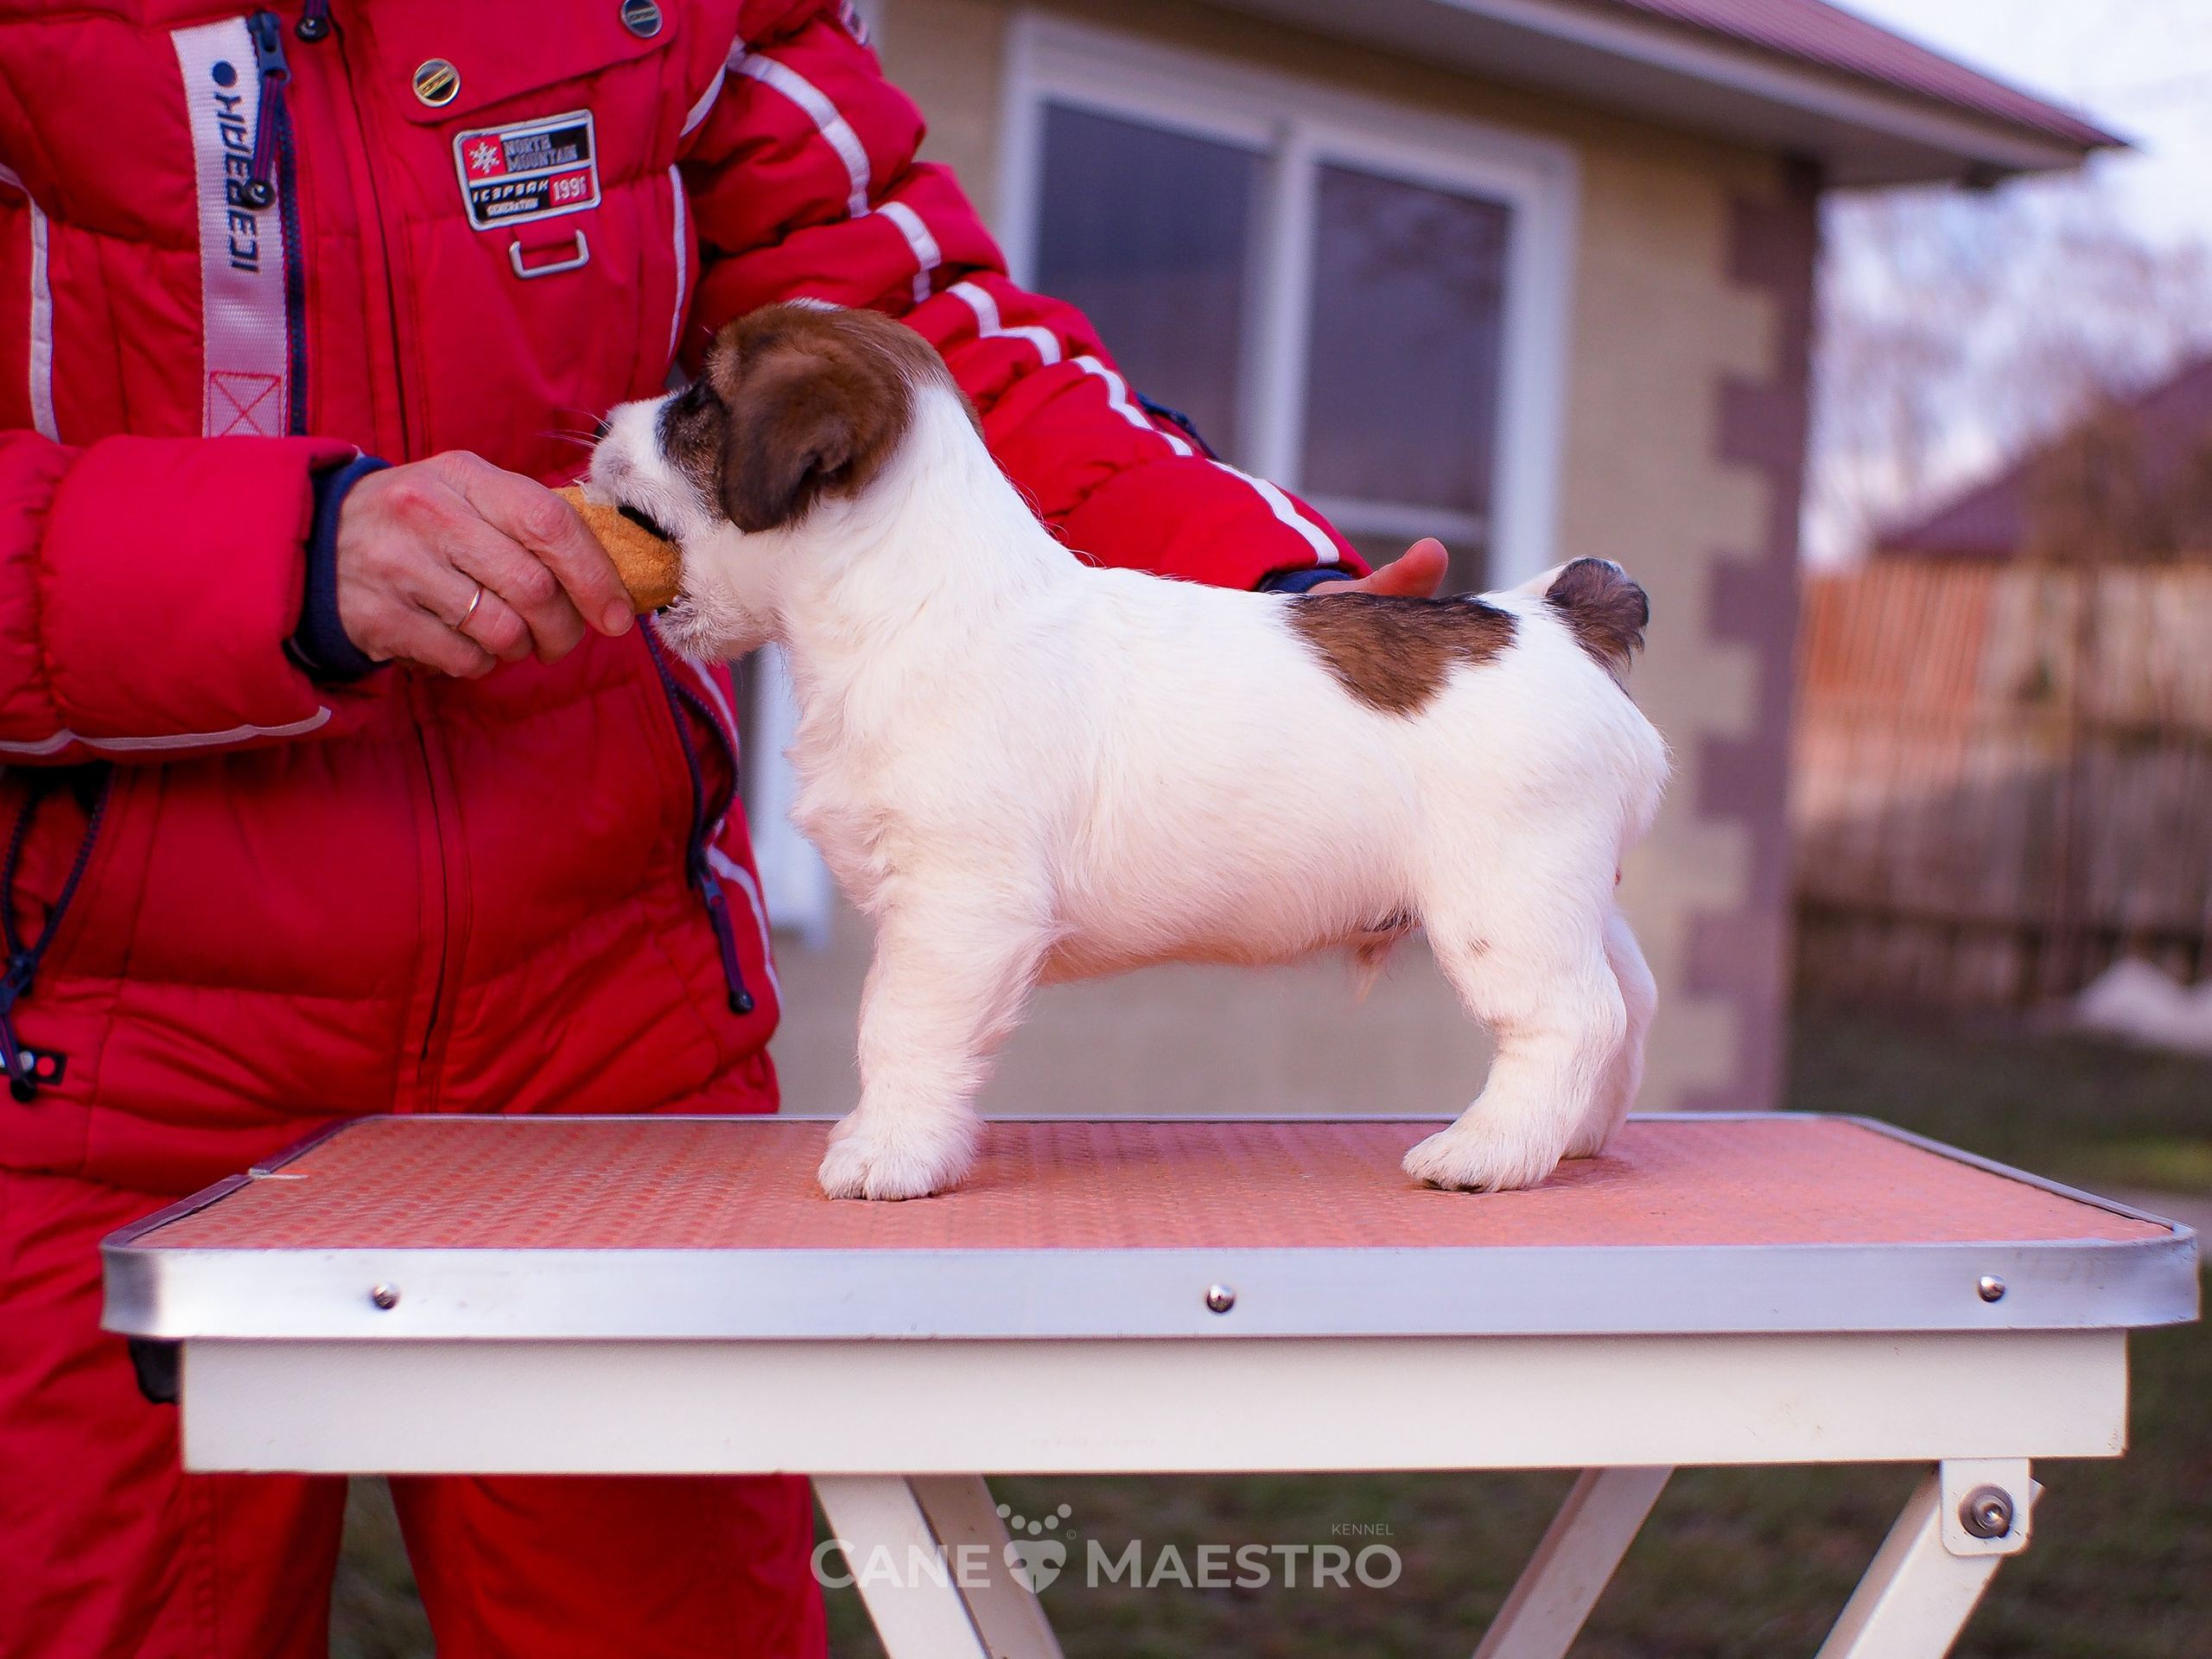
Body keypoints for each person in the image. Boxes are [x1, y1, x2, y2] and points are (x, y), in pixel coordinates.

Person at [0, 1, 1444, 1654]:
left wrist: (1285, 622)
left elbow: (908, 347)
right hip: (102, 1062)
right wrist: (275, 556)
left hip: (612, 1049)